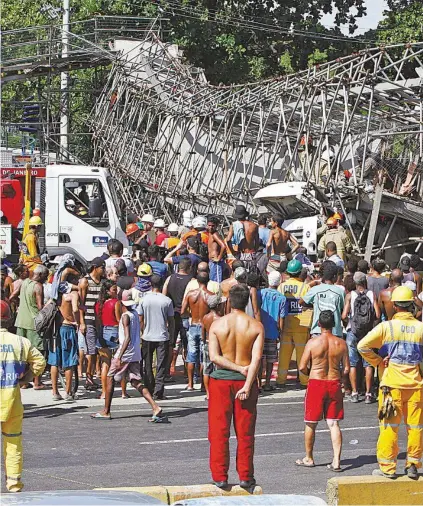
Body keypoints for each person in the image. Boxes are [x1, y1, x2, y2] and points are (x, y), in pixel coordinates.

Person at [358, 286, 423, 479]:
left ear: (394, 306)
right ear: (411, 304)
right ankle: (413, 465)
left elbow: (362, 346)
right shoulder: (420, 327)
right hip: (416, 386)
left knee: (389, 426)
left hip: (391, 385)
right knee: (416, 427)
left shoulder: (387, 327)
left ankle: (388, 467)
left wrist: (378, 361)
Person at [208, 284, 264, 489]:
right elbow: (256, 359)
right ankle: (246, 475)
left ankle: (220, 475)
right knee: (246, 432)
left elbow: (215, 357)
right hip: (245, 383)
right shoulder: (256, 326)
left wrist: (238, 369)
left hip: (220, 382)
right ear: (247, 302)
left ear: (229, 301)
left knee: (218, 431)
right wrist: (247, 382)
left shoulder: (217, 325)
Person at [91, 290, 163, 421]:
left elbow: (128, 337)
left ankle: (106, 411)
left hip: (126, 353)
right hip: (135, 352)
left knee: (110, 377)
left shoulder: (125, 316)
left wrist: (119, 356)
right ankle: (155, 407)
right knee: (135, 381)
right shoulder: (134, 314)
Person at [0, 300, 46, 492]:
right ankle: (14, 485)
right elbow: (40, 363)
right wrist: (24, 379)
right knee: (13, 443)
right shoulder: (21, 342)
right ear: (9, 319)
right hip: (12, 402)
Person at [296, 311, 350, 471]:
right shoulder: (341, 343)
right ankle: (336, 461)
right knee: (333, 423)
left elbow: (301, 366)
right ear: (333, 324)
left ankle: (309, 458)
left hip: (316, 383)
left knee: (311, 423)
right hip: (333, 382)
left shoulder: (313, 343)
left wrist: (309, 374)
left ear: (319, 324)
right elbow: (346, 368)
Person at [342, 272, 380, 404]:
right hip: (368, 333)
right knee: (368, 363)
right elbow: (378, 314)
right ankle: (369, 394)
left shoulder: (349, 296)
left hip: (353, 332)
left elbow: (344, 315)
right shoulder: (372, 294)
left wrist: (351, 322)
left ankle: (354, 392)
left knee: (352, 363)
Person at [12, 264, 49, 389]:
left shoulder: (25, 282)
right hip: (33, 324)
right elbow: (40, 307)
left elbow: (13, 296)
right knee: (37, 352)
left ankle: (23, 381)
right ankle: (37, 382)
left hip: (20, 321)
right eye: (45, 275)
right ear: (40, 275)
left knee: (22, 352)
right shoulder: (38, 286)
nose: (47, 278)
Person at [139, 275, 175, 400]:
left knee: (147, 364)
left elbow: (141, 319)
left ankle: (150, 388)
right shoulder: (166, 301)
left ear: (150, 284)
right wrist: (171, 336)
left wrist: (141, 332)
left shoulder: (144, 299)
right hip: (162, 336)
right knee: (161, 365)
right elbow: (171, 321)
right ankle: (158, 392)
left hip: (147, 336)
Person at [277, 259, 311, 388]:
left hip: (285, 325)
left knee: (284, 355)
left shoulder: (281, 286)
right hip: (301, 326)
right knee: (302, 354)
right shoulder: (305, 286)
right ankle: (304, 381)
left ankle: (281, 380)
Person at [49, 273, 80, 401]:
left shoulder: (56, 296)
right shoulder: (73, 294)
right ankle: (68, 392)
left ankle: (55, 392)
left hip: (56, 329)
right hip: (68, 328)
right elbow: (75, 309)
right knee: (68, 362)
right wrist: (77, 322)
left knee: (54, 362)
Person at [181, 271, 213, 391]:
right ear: (208, 281)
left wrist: (191, 314)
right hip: (205, 327)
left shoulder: (190, 294)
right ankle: (203, 385)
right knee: (203, 356)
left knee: (191, 355)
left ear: (197, 281)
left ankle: (190, 384)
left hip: (193, 325)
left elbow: (182, 311)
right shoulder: (210, 295)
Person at [79, 257, 105, 390]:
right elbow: (81, 304)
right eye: (102, 268)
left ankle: (92, 376)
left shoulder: (102, 282)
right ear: (96, 268)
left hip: (99, 321)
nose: (104, 270)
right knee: (91, 350)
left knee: (97, 350)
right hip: (88, 320)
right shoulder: (85, 281)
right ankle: (89, 377)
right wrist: (82, 322)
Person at [259, 271, 288, 391]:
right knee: (270, 359)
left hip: (260, 331)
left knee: (259, 358)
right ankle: (267, 384)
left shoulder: (260, 293)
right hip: (272, 332)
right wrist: (280, 333)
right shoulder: (282, 298)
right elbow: (281, 318)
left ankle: (258, 382)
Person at [300, 261, 345, 338]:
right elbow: (342, 308)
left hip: (318, 331)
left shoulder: (315, 289)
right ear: (334, 277)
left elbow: (301, 301)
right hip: (335, 332)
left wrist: (313, 304)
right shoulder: (340, 291)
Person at [163, 258, 193, 371]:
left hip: (172, 315)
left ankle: (167, 369)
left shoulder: (170, 278)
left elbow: (164, 295)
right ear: (189, 268)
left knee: (171, 343)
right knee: (187, 344)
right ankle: (187, 370)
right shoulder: (191, 280)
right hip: (186, 315)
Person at [95, 280, 122, 400]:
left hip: (102, 332)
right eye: (114, 290)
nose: (116, 292)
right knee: (118, 363)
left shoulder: (98, 304)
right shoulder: (116, 303)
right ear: (108, 291)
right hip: (113, 331)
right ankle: (122, 391)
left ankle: (104, 392)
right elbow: (118, 319)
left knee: (104, 365)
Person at [201, 295, 224, 400]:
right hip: (217, 345)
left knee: (207, 370)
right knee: (218, 369)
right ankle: (217, 391)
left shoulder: (205, 318)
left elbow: (203, 334)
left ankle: (208, 393)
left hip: (207, 343)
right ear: (218, 305)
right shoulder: (220, 319)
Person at [226, 205, 259, 272]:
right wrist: (254, 251)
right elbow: (257, 242)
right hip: (251, 253)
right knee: (252, 274)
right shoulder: (254, 226)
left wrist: (233, 252)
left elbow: (228, 239)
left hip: (240, 253)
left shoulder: (234, 225)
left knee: (241, 274)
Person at [207, 216, 226, 283]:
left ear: (216, 226)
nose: (210, 227)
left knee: (216, 283)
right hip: (212, 262)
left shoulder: (215, 234)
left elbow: (223, 246)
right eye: (209, 225)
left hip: (216, 263)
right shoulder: (210, 234)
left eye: (213, 226)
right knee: (212, 282)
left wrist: (218, 258)